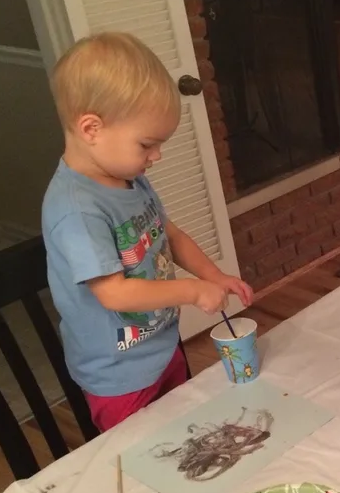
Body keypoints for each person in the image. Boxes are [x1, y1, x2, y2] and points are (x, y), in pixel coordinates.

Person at [42, 32, 253, 432]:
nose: (156, 156)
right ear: (91, 129)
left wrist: (213, 276)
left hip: (162, 346)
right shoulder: (76, 210)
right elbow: (115, 293)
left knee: (191, 436)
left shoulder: (129, 179)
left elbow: (169, 235)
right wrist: (193, 291)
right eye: (146, 144)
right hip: (119, 376)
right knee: (149, 455)